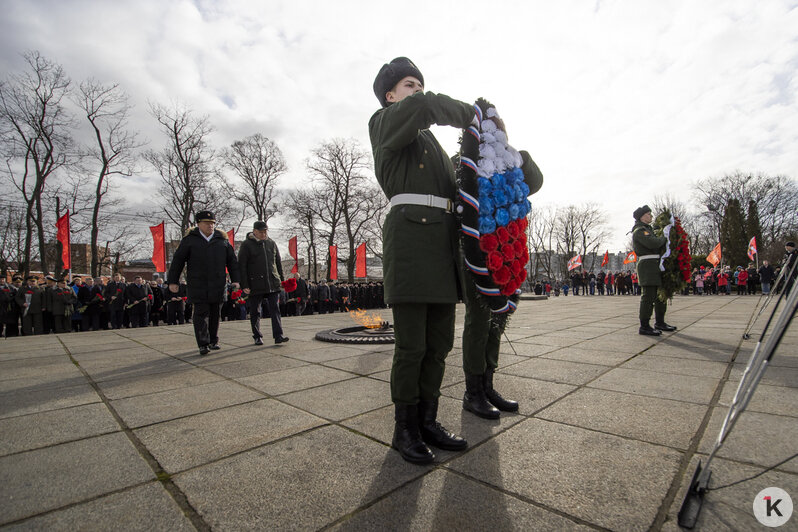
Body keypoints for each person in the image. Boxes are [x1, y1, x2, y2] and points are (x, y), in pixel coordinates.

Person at [369, 56, 472, 463]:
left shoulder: (432, 142)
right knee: (411, 346)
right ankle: (404, 428)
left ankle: (428, 419)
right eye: (410, 84)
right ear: (391, 94)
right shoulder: (384, 121)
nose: (417, 90)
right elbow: (422, 106)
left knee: (439, 344)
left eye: (419, 84)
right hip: (411, 240)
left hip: (441, 247)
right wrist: (474, 115)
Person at [461, 141, 543, 419]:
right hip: (475, 253)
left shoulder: (507, 162)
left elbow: (536, 181)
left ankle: (487, 384)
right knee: (479, 320)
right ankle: (472, 393)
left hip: (507, 252)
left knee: (498, 321)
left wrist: (514, 154)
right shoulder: (462, 160)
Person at [168, 211, 240, 355]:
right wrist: (173, 281)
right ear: (198, 224)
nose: (210, 226)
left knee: (215, 313)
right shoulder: (190, 240)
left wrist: (236, 280)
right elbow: (178, 261)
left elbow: (232, 262)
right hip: (198, 284)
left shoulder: (222, 241)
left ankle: (213, 340)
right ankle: (203, 343)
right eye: (207, 223)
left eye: (212, 223)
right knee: (201, 313)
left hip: (218, 283)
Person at [237, 221, 289, 346]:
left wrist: (281, 280)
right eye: (261, 231)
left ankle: (278, 336)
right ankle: (257, 335)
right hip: (255, 283)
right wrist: (245, 284)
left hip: (272, 282)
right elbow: (242, 266)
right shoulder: (246, 245)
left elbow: (277, 264)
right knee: (255, 311)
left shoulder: (271, 243)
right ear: (254, 231)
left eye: (265, 231)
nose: (263, 234)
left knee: (275, 309)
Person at [632, 205, 676, 335]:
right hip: (647, 265)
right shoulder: (640, 231)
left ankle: (660, 322)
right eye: (648, 214)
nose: (651, 216)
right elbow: (653, 243)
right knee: (648, 296)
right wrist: (665, 237)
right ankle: (644, 326)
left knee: (660, 295)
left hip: (656, 264)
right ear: (642, 217)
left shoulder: (649, 229)